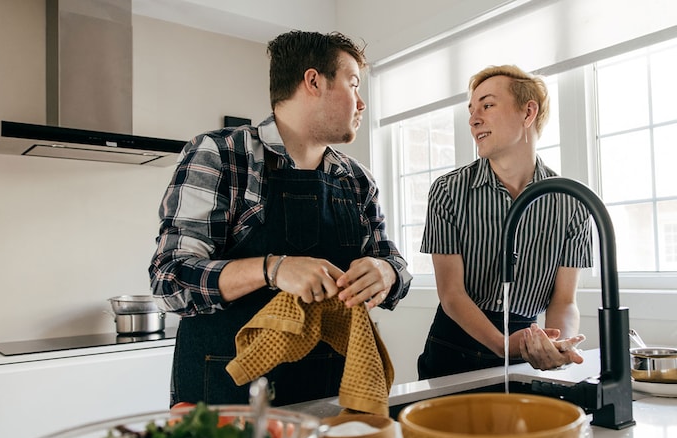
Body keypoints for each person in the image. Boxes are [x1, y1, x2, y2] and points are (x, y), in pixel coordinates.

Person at [149, 30, 412, 407]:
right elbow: (168, 281)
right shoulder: (222, 154)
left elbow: (396, 264)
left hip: (331, 397)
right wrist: (274, 269)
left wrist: (386, 273)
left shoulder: (356, 179)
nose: (361, 103)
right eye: (353, 84)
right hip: (228, 400)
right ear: (313, 81)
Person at [417, 64, 590, 380]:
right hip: (453, 348)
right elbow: (452, 294)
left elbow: (564, 301)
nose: (473, 119)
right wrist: (502, 345)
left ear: (528, 113)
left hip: (527, 348)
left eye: (487, 105)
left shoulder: (572, 202)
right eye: (471, 110)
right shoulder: (447, 191)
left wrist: (558, 345)